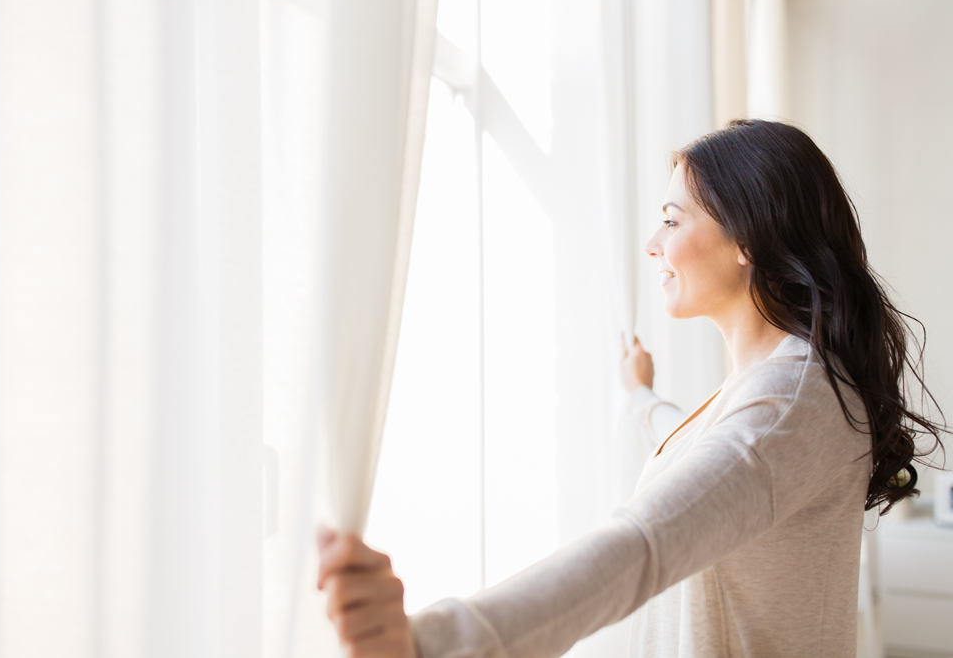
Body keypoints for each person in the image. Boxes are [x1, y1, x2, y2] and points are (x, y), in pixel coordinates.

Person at [316, 120, 946, 658]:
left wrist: (432, 643)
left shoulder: (790, 403)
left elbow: (643, 545)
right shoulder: (785, 389)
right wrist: (642, 396)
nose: (654, 245)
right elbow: (716, 457)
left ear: (745, 241)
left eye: (672, 220)